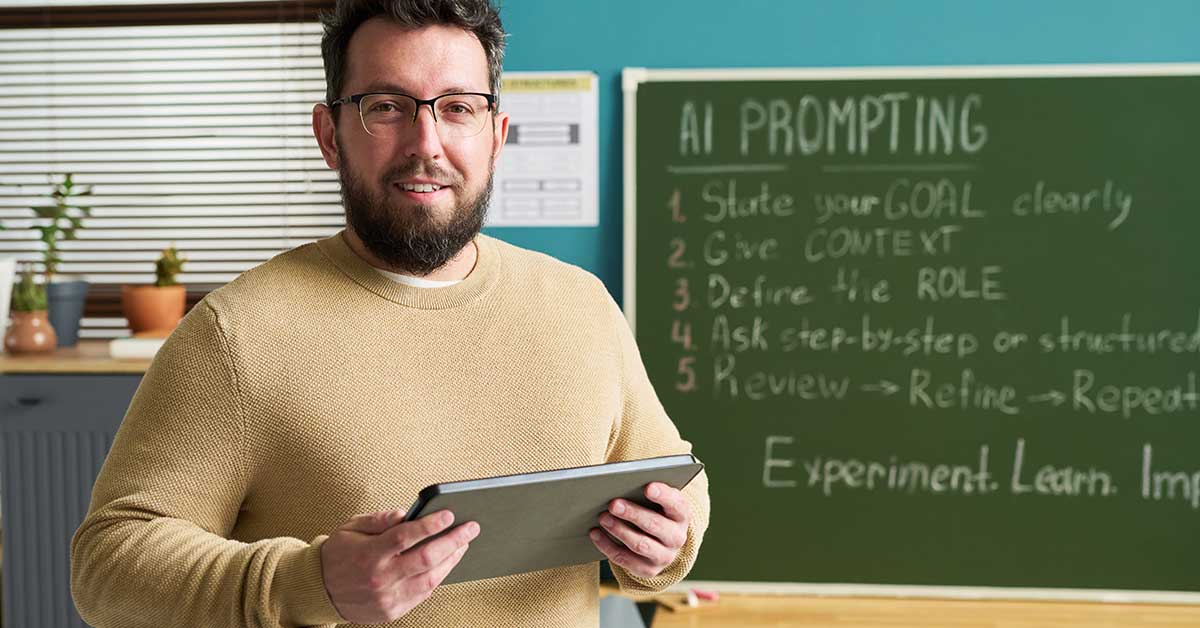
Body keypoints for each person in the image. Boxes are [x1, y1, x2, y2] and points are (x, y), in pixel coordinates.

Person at [70, 0, 710, 626]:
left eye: (458, 108)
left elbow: (675, 479)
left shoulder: (581, 303)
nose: (425, 143)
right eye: (385, 107)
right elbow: (106, 568)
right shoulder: (236, 332)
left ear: (497, 136)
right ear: (329, 136)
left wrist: (667, 540)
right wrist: (307, 583)